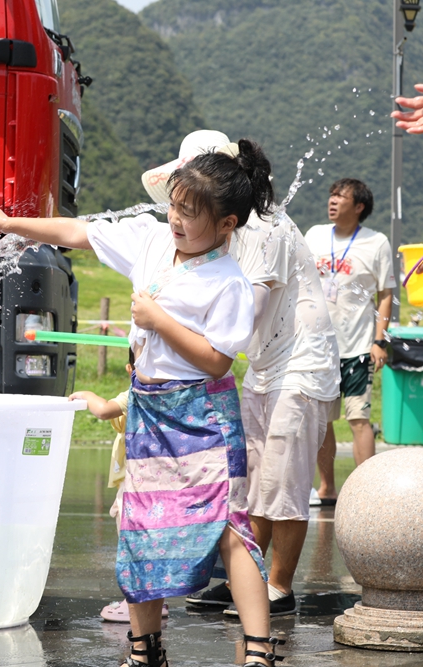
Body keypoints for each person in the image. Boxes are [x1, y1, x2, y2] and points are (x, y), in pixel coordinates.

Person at [0, 141, 282, 667]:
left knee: (228, 528)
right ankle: (144, 652)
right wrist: (12, 223)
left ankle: (258, 651)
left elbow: (216, 362)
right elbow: (78, 233)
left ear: (227, 223)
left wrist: (159, 321)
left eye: (192, 215)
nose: (176, 221)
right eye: (175, 207)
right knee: (142, 527)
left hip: (203, 416)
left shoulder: (229, 282)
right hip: (150, 410)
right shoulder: (149, 239)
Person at [144, 131, 341, 618]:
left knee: (283, 474)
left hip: (303, 360)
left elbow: (238, 320)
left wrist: (164, 330)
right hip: (265, 363)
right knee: (249, 476)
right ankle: (245, 578)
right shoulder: (225, 230)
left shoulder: (264, 227)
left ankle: (279, 586)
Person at [304, 179, 396, 503]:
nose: (332, 201)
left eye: (340, 197)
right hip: (319, 347)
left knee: (358, 418)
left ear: (358, 207)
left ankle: (366, 494)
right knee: (322, 420)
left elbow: (385, 295)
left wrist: (378, 341)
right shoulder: (314, 235)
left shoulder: (376, 242)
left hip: (357, 346)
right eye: (331, 194)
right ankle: (327, 487)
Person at [72, 351, 169, 624]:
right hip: (162, 485)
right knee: (154, 546)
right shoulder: (170, 394)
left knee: (132, 547)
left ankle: (133, 604)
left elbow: (104, 411)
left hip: (136, 486)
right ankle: (157, 603)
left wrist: (88, 395)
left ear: (130, 369)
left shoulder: (136, 394)